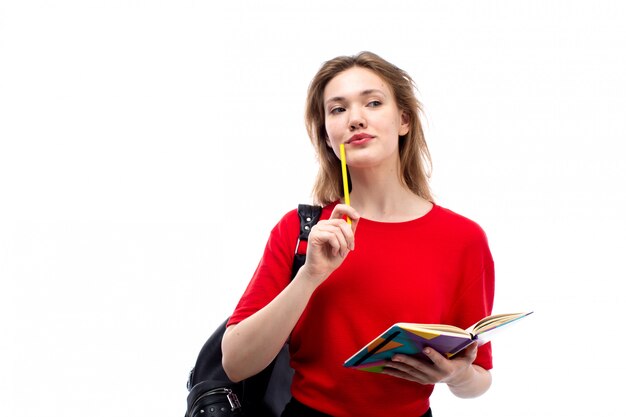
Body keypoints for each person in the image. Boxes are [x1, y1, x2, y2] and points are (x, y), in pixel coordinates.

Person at [221, 51, 494, 417]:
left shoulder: (463, 238)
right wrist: (310, 276)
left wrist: (457, 374)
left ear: (403, 120)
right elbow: (236, 363)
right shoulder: (302, 231)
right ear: (327, 137)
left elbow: (479, 377)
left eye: (373, 102)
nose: (355, 119)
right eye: (338, 110)